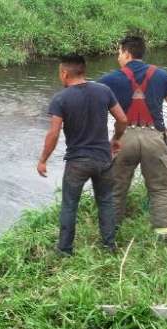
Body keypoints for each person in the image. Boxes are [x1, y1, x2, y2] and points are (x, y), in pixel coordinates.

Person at [37, 54, 128, 256]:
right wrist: (116, 139)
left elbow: (53, 133)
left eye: (59, 73)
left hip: (77, 162)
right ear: (83, 70)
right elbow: (122, 119)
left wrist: (43, 160)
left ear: (64, 73)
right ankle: (109, 246)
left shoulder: (61, 98)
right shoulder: (104, 91)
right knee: (105, 201)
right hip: (103, 159)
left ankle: (65, 250)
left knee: (69, 205)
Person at [99, 36, 167, 241]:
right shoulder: (162, 76)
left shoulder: (108, 80)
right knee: (163, 189)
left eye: (119, 53)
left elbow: (95, 109)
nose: (118, 57)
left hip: (123, 139)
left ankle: (109, 239)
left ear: (127, 53)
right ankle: (165, 241)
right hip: (155, 138)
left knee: (114, 190)